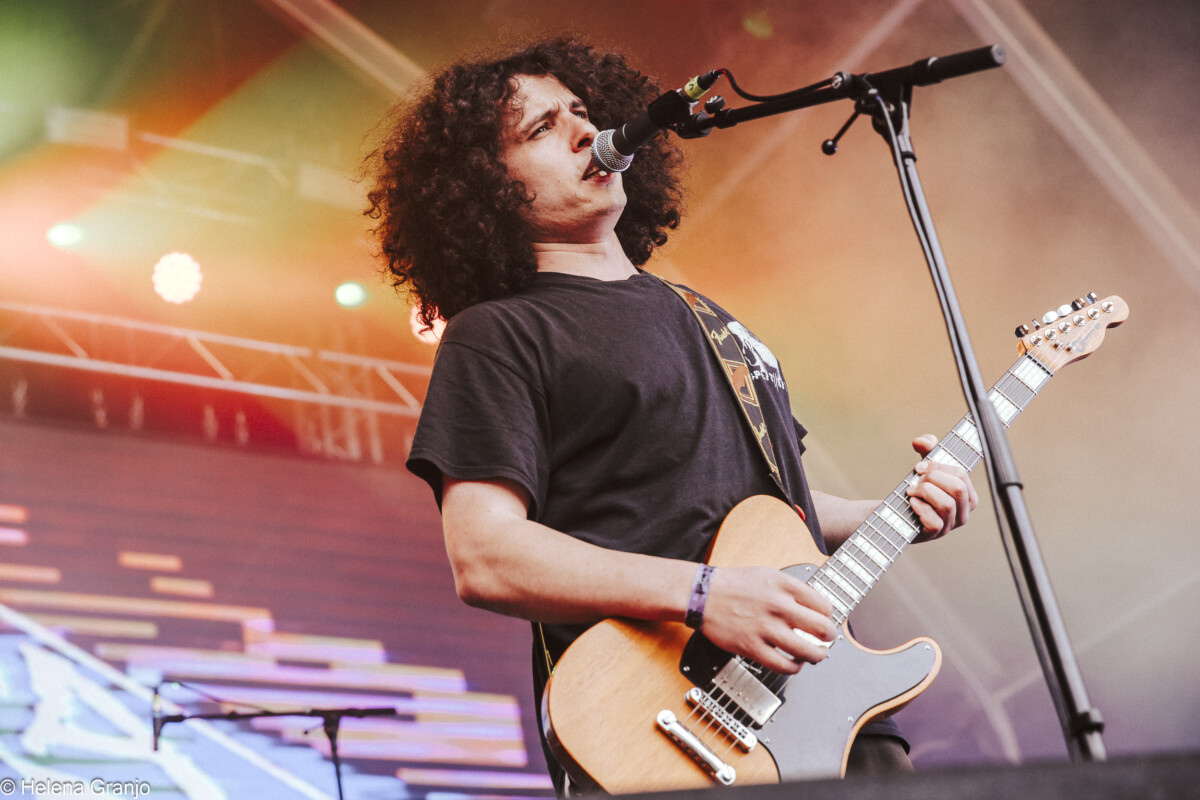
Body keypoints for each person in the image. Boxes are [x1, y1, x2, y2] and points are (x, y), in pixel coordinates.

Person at [364, 36, 977, 793]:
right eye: (542, 128)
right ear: (486, 187)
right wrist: (703, 594)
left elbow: (767, 509)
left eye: (581, 112)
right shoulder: (499, 332)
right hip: (662, 726)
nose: (585, 132)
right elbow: (486, 556)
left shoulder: (709, 320)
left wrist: (897, 509)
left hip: (826, 708)